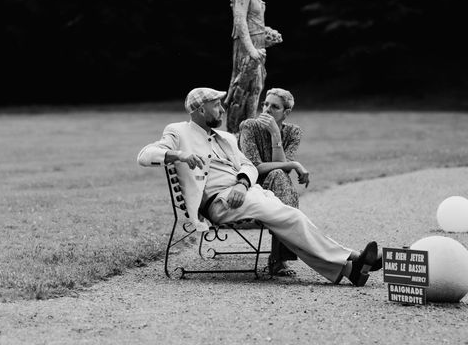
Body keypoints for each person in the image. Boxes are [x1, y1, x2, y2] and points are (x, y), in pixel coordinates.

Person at [137, 87, 382, 286]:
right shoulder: (178, 131)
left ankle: (350, 269)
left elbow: (249, 166)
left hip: (244, 193)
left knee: (289, 219)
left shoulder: (226, 138)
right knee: (290, 216)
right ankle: (354, 258)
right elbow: (146, 154)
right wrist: (180, 155)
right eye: (217, 105)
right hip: (221, 202)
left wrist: (243, 184)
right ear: (201, 109)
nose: (222, 109)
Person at [239, 88, 308, 276]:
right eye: (265, 104)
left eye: (274, 107)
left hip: (277, 186)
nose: (267, 109)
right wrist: (294, 164)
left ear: (286, 113)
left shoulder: (293, 132)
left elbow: (283, 168)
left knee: (279, 175)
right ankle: (279, 259)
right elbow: (253, 168)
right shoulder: (249, 127)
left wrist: (275, 135)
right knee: (279, 176)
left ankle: (280, 257)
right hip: (252, 187)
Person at [225, 0, 282, 134]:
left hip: (257, 45)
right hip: (247, 47)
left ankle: (250, 128)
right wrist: (251, 49)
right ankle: (236, 131)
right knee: (242, 89)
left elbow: (253, 23)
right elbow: (240, 21)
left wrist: (267, 34)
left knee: (256, 86)